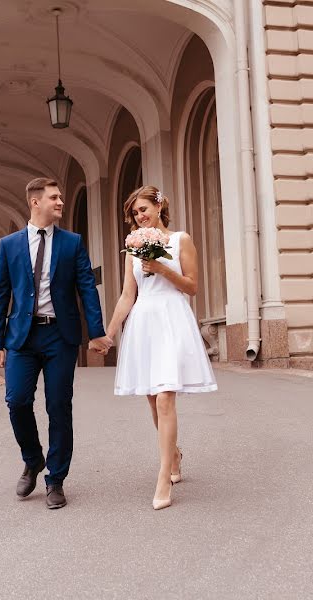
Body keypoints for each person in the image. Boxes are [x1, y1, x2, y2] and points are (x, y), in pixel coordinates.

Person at [0, 177, 113, 509]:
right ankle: (33, 459)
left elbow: (87, 287)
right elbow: (0, 295)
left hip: (60, 336)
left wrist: (96, 331)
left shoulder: (72, 243)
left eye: (61, 197)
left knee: (59, 407)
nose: (60, 202)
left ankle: (55, 478)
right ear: (35, 202)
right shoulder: (10, 244)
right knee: (16, 401)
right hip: (22, 338)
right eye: (54, 197)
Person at [105, 185, 217, 510]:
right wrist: (110, 332)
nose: (139, 217)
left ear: (158, 206)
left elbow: (193, 287)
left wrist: (164, 269)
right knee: (154, 401)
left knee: (166, 398)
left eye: (143, 209)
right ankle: (176, 453)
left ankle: (163, 474)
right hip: (144, 324)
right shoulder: (133, 250)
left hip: (172, 319)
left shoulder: (181, 239)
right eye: (134, 213)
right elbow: (128, 295)